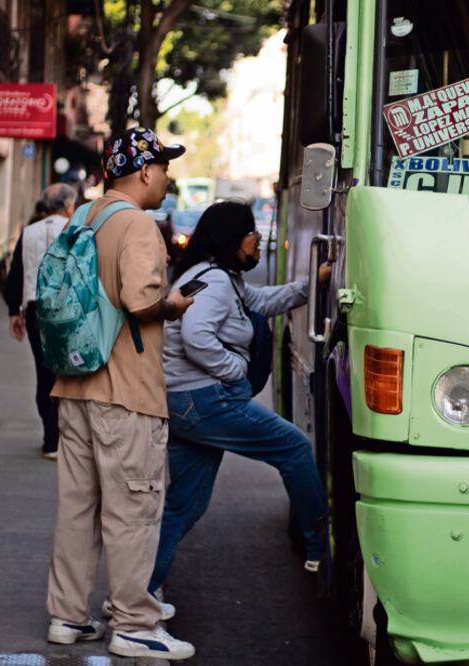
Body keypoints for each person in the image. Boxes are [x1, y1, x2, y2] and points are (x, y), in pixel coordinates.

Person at [45, 127, 196, 660]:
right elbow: (139, 301)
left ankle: (67, 617)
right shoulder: (136, 224)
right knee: (134, 509)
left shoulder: (85, 216)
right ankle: (134, 623)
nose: (168, 178)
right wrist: (173, 306)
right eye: (165, 168)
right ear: (147, 171)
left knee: (77, 508)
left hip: (75, 384)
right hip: (125, 392)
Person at [148, 200, 329, 599]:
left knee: (185, 504)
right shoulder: (213, 282)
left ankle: (142, 589)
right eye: (250, 232)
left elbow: (261, 303)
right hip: (206, 400)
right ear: (233, 237)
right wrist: (235, 373)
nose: (257, 239)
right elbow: (197, 336)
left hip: (184, 403)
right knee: (295, 448)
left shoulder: (216, 277)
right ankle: (320, 544)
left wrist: (308, 285)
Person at [4, 184, 77, 460]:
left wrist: (15, 311)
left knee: (43, 372)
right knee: (64, 373)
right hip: (66, 309)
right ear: (68, 204)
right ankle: (55, 438)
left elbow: (17, 273)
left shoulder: (29, 231)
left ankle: (50, 438)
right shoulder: (75, 229)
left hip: (35, 309)